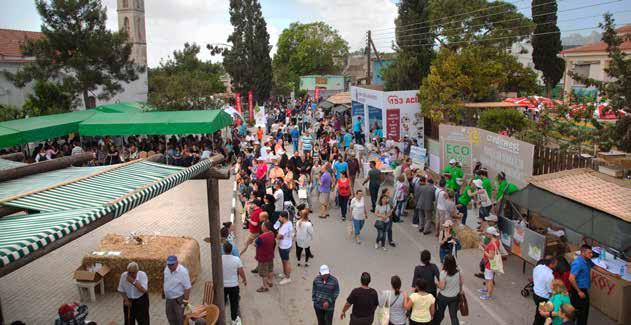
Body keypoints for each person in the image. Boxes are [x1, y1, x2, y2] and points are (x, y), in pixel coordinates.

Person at [568, 244, 595, 325]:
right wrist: (579, 291)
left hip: (582, 289)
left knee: (579, 310)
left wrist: (612, 274)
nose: (591, 254)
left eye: (591, 252)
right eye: (589, 253)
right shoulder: (578, 263)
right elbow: (571, 278)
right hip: (578, 290)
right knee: (582, 311)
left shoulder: (587, 260)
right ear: (583, 253)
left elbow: (596, 267)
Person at [163, 255, 192, 325]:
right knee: (170, 316)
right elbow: (165, 280)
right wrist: (163, 291)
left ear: (177, 263)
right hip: (169, 299)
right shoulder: (167, 269)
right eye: (168, 264)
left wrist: (185, 301)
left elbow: (187, 287)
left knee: (180, 318)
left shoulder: (183, 272)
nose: (170, 266)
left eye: (172, 264)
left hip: (178, 300)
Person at [222, 242, 246, 324]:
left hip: (223, 286)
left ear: (223, 249)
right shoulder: (236, 259)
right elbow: (241, 271)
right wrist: (244, 279)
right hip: (233, 285)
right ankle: (234, 319)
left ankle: (221, 319)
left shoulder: (220, 258)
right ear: (231, 249)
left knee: (222, 303)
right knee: (234, 303)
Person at [435, 255, 463, 325]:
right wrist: (460, 291)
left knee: (440, 314)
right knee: (453, 316)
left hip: (443, 297)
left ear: (446, 263)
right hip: (454, 297)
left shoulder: (443, 273)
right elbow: (461, 283)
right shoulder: (459, 271)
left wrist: (436, 283)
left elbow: (442, 287)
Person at [533, 257, 558, 325]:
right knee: (541, 317)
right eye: (556, 264)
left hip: (535, 294)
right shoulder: (550, 276)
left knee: (539, 313)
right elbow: (550, 291)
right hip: (543, 298)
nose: (556, 265)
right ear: (551, 264)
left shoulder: (538, 267)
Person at [480, 226, 500, 300]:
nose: (486, 235)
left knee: (489, 279)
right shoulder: (496, 241)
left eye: (488, 234)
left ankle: (488, 294)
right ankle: (486, 289)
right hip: (491, 263)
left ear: (491, 234)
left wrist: (483, 250)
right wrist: (485, 247)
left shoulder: (492, 244)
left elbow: (491, 256)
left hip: (490, 263)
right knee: (488, 277)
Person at [255, 221, 275, 292]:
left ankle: (264, 287)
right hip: (270, 255)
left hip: (263, 257)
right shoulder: (272, 233)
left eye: (262, 226)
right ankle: (270, 281)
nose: (261, 227)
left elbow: (256, 244)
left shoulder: (261, 237)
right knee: (270, 269)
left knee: (264, 273)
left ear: (265, 228)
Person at [276, 211, 294, 285]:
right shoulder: (289, 223)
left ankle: (288, 277)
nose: (279, 218)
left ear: (283, 217)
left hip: (284, 246)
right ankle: (285, 273)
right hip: (287, 244)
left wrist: (278, 233)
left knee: (286, 262)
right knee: (284, 261)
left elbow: (278, 237)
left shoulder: (285, 226)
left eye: (280, 217)